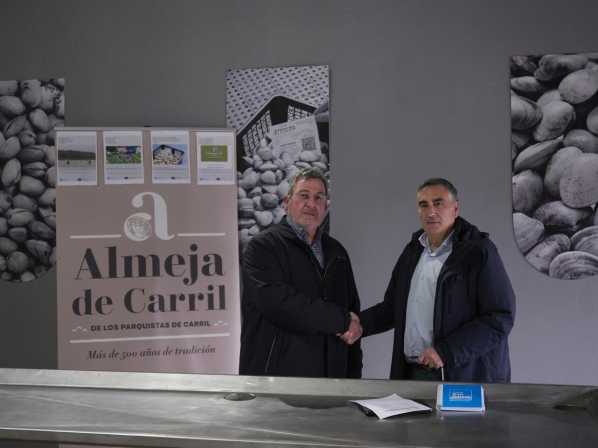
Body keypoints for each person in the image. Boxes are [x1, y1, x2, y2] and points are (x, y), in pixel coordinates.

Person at [348, 178, 515, 382]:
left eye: (438, 203)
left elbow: (499, 318)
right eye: (424, 205)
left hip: (464, 376)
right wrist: (360, 323)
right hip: (412, 373)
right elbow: (393, 307)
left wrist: (446, 352)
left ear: (455, 209)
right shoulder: (412, 252)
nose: (431, 212)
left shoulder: (479, 252)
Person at [239, 167, 363, 378]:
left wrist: (353, 377)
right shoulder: (263, 247)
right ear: (287, 202)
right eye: (304, 196)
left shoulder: (337, 252)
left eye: (319, 198)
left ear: (325, 206)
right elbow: (281, 305)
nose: (311, 204)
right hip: (277, 380)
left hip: (331, 380)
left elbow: (352, 314)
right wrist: (341, 320)